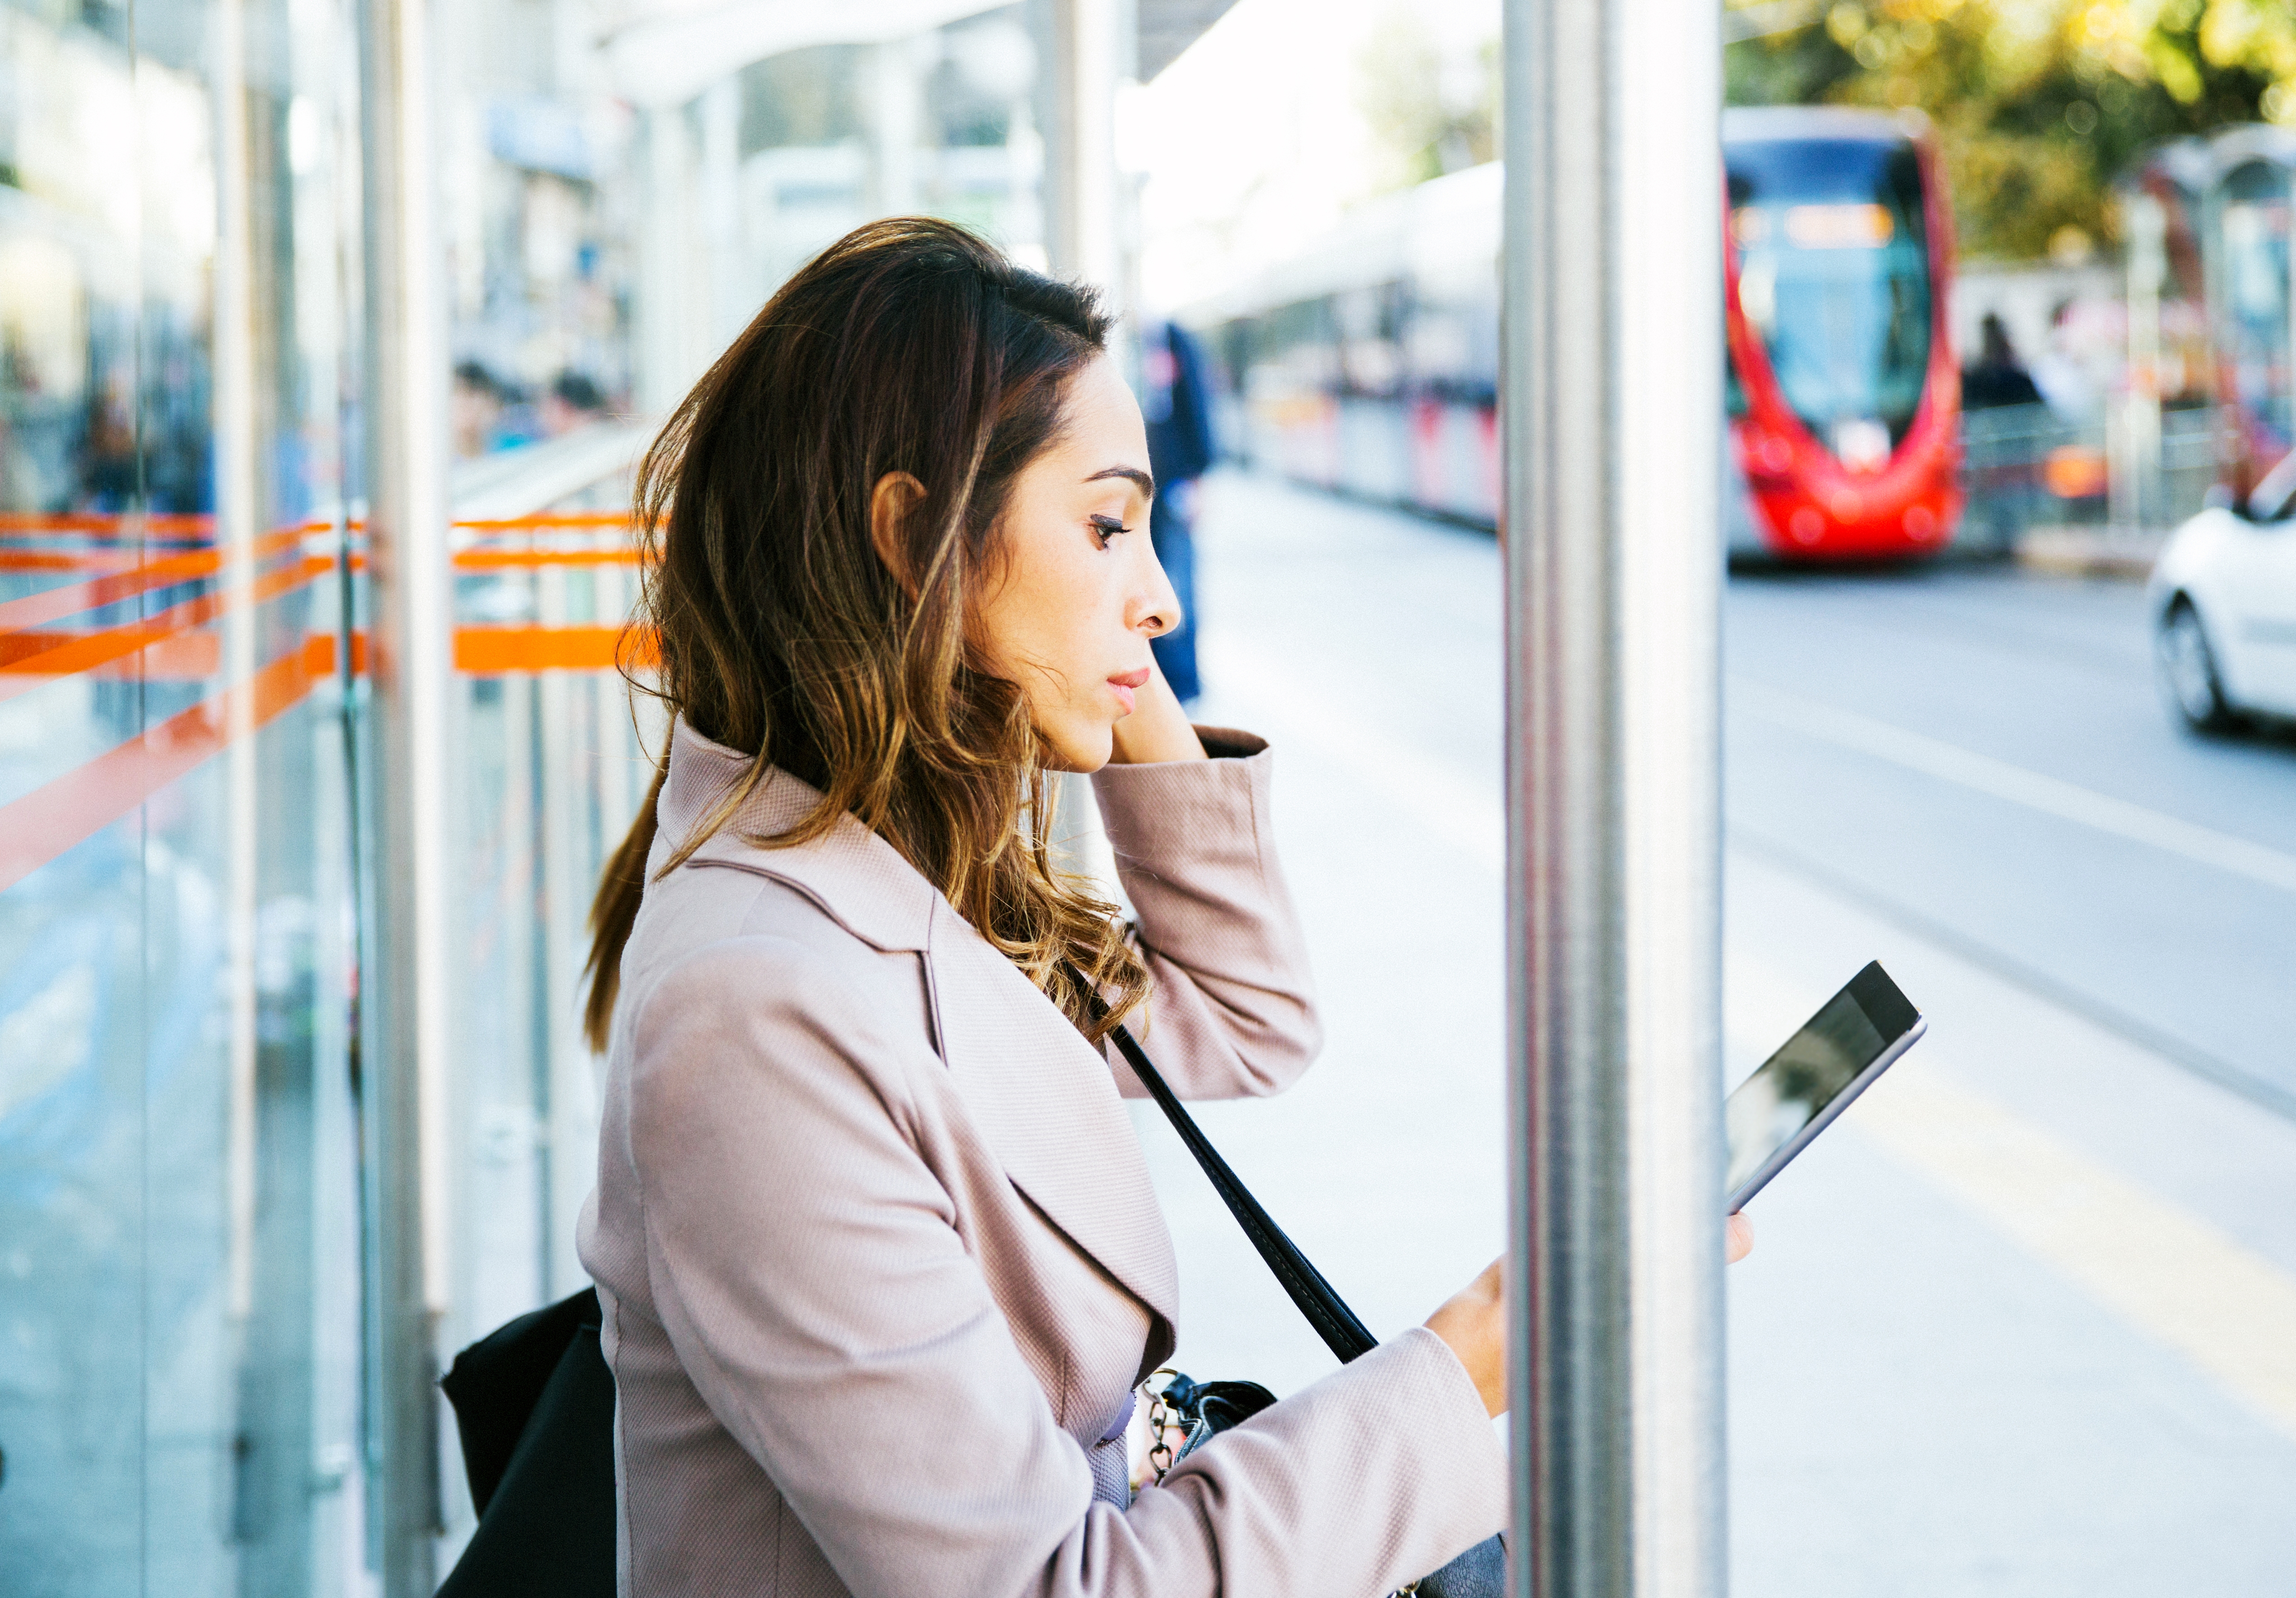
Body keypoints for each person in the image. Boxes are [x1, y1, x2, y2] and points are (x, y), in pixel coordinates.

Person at [578, 218, 1752, 1598]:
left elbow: (1245, 1018)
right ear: (914, 537)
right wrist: (1487, 1345)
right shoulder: (761, 1008)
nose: (1160, 595)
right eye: (1103, 525)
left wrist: (1112, 668)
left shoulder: (896, 882)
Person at [1139, 318, 1214, 702]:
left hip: (1172, 501)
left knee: (1176, 584)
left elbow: (1199, 445)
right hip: (1162, 502)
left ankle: (1181, 680)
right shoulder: (1158, 396)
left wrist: (1193, 487)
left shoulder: (1179, 396)